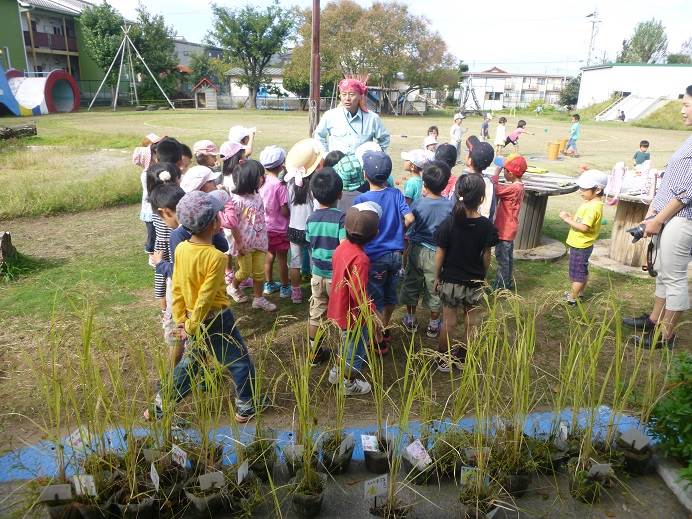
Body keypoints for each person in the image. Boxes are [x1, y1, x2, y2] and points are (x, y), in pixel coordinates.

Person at [147, 190, 261, 424]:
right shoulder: (216, 257)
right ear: (214, 224)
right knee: (239, 360)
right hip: (216, 319)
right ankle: (246, 406)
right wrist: (190, 324)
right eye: (219, 216)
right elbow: (206, 297)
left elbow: (177, 287)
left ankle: (160, 406)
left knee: (192, 364)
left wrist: (183, 321)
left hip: (189, 317)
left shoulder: (180, 249)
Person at [623, 86, 692, 349]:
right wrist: (653, 212)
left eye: (687, 105)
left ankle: (666, 335)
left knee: (674, 278)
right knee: (664, 272)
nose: (682, 109)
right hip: (669, 216)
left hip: (681, 218)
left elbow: (686, 191)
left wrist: (659, 218)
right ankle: (654, 320)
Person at [150, 185, 229, 368]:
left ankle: (172, 380)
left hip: (186, 302)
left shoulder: (179, 235)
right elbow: (223, 247)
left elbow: (179, 274)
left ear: (166, 212)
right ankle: (185, 377)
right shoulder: (200, 231)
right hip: (195, 303)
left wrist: (160, 264)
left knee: (180, 340)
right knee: (193, 341)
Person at [434, 174, 499, 372]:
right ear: (481, 199)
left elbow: (440, 253)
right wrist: (483, 275)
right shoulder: (487, 226)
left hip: (451, 281)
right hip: (475, 281)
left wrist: (437, 276)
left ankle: (443, 359)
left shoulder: (449, 223)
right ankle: (463, 358)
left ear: (457, 194)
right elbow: (486, 256)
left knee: (448, 322)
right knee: (472, 323)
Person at [354, 151, 414, 353]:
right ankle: (385, 327)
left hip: (374, 257)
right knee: (390, 295)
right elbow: (410, 218)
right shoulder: (396, 194)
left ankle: (378, 339)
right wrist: (399, 231)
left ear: (365, 175)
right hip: (395, 256)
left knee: (374, 299)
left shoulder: (361, 199)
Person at [327, 202, 383, 395]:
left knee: (345, 345)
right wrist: (372, 313)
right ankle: (348, 384)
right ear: (375, 233)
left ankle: (336, 372)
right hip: (354, 316)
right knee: (355, 351)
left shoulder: (340, 249)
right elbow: (358, 293)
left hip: (338, 307)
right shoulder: (361, 259)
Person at [400, 161, 453, 338]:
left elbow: (407, 223)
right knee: (435, 287)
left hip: (416, 250)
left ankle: (411, 318)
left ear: (425, 184)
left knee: (411, 283)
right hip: (438, 253)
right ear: (445, 185)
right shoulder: (450, 206)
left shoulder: (417, 204)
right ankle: (433, 324)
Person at [220, 160, 277, 312]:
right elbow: (232, 224)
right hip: (244, 244)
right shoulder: (236, 201)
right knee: (244, 271)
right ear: (249, 179)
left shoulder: (256, 195)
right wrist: (239, 243)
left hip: (260, 241)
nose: (263, 178)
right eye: (260, 176)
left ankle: (258, 298)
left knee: (259, 271)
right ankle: (232, 287)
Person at [306, 169, 346, 365]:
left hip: (317, 274)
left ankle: (314, 355)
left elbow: (309, 241)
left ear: (313, 194)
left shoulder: (311, 218)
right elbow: (344, 246)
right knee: (342, 315)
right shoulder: (340, 218)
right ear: (340, 194)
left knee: (316, 313)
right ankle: (344, 356)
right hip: (336, 276)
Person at [559, 169, 607, 304]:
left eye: (584, 189)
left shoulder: (592, 207)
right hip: (583, 245)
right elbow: (582, 222)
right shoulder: (593, 204)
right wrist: (572, 218)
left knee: (577, 275)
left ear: (597, 190)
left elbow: (584, 228)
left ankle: (572, 298)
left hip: (581, 246)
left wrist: (566, 219)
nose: (580, 191)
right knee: (582, 271)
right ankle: (579, 293)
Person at [284, 138, 323, 303]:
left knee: (295, 262)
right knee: (315, 261)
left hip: (293, 228)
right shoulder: (315, 185)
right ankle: (317, 294)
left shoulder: (290, 182)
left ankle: (296, 293)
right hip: (310, 229)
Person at [313, 78, 390, 155]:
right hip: (336, 165)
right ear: (340, 96)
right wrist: (325, 155)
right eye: (344, 94)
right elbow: (319, 136)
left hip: (362, 165)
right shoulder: (330, 116)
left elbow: (384, 139)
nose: (347, 98)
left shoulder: (372, 118)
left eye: (352, 94)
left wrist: (378, 157)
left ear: (360, 96)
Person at [147, 162, 182, 311]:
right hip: (168, 247)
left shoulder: (155, 204)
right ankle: (166, 312)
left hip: (162, 248)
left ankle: (165, 312)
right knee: (166, 278)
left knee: (164, 278)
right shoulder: (172, 203)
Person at [258, 145, 291, 299]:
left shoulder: (261, 181)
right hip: (280, 228)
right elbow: (284, 209)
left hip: (266, 227)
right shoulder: (279, 185)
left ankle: (269, 284)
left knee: (269, 255)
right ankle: (285, 287)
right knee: (283, 259)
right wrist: (290, 214)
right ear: (281, 164)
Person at [490, 154, 527, 290]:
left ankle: (500, 287)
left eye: (504, 169)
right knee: (508, 258)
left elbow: (496, 189)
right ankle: (507, 282)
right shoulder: (518, 186)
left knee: (502, 260)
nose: (503, 171)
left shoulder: (514, 188)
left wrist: (495, 174)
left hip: (504, 230)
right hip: (510, 229)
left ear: (510, 173)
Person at [135, 133, 161, 262]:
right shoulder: (147, 174)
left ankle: (156, 253)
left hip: (155, 208)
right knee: (153, 233)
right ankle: (151, 254)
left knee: (158, 232)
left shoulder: (153, 171)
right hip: (150, 210)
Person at [465, 136, 497, 220]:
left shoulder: (463, 180)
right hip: (483, 227)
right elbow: (492, 209)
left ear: (470, 160)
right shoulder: (489, 183)